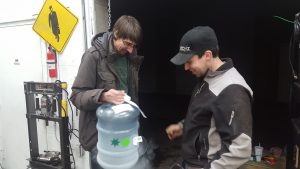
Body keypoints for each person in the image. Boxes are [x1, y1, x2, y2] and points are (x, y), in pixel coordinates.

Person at [165, 26, 253, 169]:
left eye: (189, 61)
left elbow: (239, 150)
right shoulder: (208, 77)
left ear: (207, 55)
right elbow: (204, 115)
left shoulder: (233, 90)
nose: (186, 67)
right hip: (192, 162)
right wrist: (183, 126)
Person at [70, 15, 143, 169]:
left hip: (124, 132)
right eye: (127, 43)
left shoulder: (130, 56)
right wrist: (103, 95)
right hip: (101, 138)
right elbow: (76, 96)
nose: (130, 49)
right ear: (116, 33)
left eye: (133, 45)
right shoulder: (93, 56)